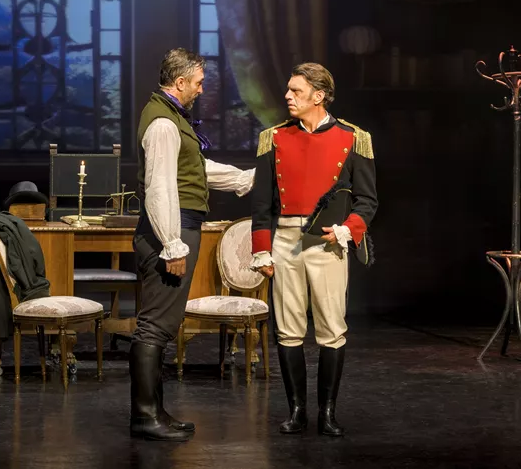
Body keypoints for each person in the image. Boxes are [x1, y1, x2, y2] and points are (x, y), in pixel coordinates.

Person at [130, 48, 255, 441]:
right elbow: (160, 189)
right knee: (154, 326)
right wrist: (172, 245)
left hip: (181, 228)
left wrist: (244, 179)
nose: (202, 90)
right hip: (172, 230)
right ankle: (145, 417)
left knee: (162, 325)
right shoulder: (163, 124)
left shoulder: (172, 119)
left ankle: (155, 412)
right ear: (180, 81)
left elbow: (196, 169)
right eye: (199, 83)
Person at [251, 62, 378, 436]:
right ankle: (296, 411)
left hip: (328, 242)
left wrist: (346, 231)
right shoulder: (273, 138)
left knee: (331, 330)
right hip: (285, 241)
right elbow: (262, 205)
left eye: (296, 91)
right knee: (288, 330)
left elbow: (367, 201)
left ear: (318, 96)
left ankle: (327, 413)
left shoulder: (354, 138)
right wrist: (262, 250)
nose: (287, 96)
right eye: (288, 89)